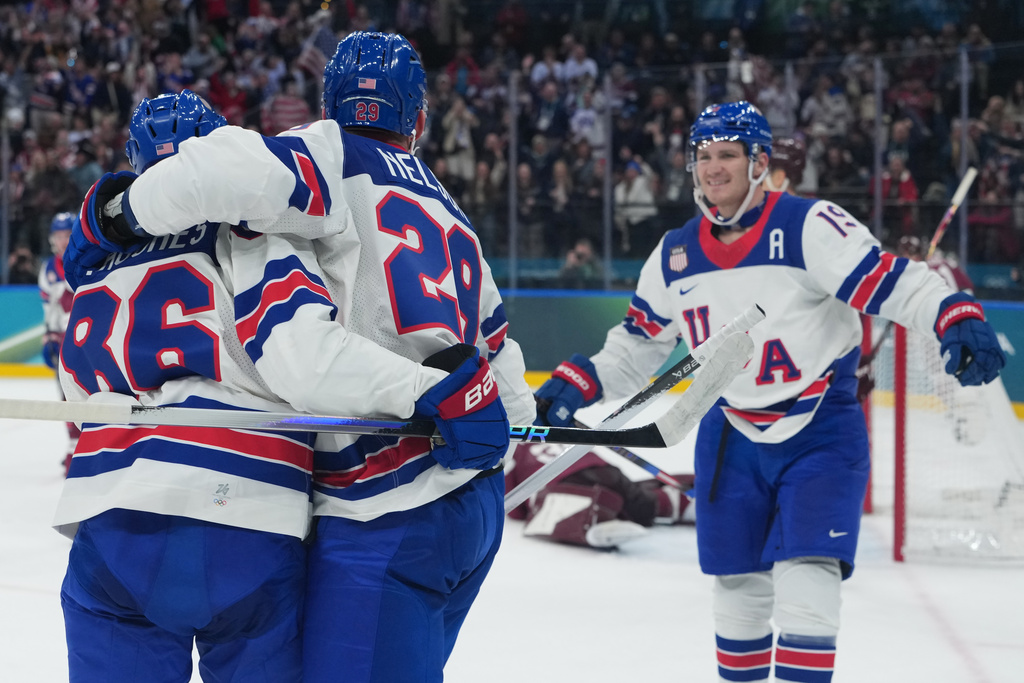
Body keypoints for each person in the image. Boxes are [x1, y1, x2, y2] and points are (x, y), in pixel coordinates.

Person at [63, 32, 534, 683]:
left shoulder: (319, 160)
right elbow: (505, 377)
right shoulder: (452, 212)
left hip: (375, 504)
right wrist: (489, 420)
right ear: (419, 120)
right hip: (466, 506)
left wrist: (113, 216)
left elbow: (221, 181)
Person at [532, 101, 1006, 683]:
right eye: (702, 157)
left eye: (727, 155)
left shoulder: (809, 226)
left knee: (809, 583)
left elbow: (892, 281)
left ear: (759, 162)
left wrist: (952, 311)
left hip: (820, 429)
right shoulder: (675, 255)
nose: (712, 168)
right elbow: (638, 347)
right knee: (736, 593)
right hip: (729, 431)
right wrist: (579, 381)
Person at [504, 442, 694, 549]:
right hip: (604, 470)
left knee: (555, 509)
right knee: (641, 504)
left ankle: (594, 523)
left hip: (562, 484)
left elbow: (511, 504)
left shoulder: (507, 450)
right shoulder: (548, 428)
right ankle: (678, 501)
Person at [38, 211, 79, 473]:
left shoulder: (89, 259)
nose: (63, 241)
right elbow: (50, 310)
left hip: (89, 338)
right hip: (66, 341)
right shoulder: (49, 270)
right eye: (59, 236)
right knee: (66, 396)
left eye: (67, 235)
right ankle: (74, 446)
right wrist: (49, 335)